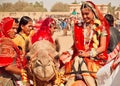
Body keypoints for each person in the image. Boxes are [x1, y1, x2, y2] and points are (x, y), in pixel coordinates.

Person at [60, 1, 110, 86]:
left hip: (96, 59)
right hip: (78, 57)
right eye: (83, 14)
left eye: (87, 14)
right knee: (61, 75)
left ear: (93, 12)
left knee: (86, 71)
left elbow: (102, 47)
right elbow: (74, 46)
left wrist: (88, 54)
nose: (84, 16)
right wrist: (68, 53)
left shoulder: (101, 27)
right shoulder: (78, 26)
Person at [0, 17, 21, 86]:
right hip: (5, 80)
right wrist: (24, 73)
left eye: (16, 29)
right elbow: (8, 67)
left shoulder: (4, 40)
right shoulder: (5, 43)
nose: (15, 31)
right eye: (12, 28)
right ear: (5, 28)